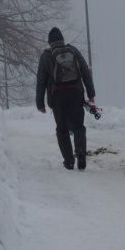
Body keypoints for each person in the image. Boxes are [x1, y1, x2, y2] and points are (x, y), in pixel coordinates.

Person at [36, 27, 96, 170]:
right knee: (78, 126)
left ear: (50, 42)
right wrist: (91, 93)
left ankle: (69, 161)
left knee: (62, 129)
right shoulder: (73, 51)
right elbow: (85, 71)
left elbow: (41, 81)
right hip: (76, 92)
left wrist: (40, 103)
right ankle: (80, 152)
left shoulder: (46, 56)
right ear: (62, 40)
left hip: (57, 96)